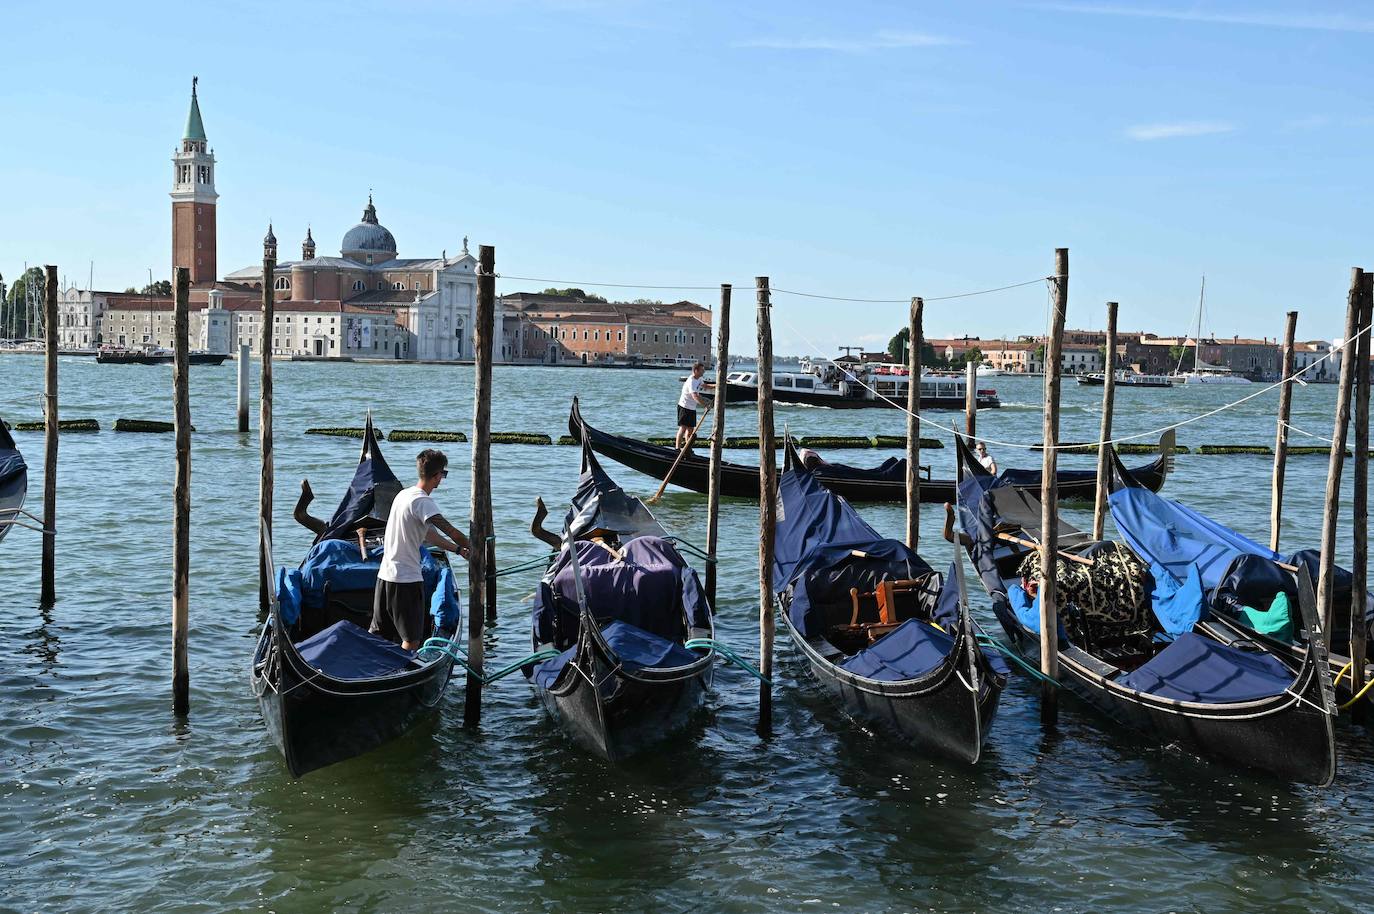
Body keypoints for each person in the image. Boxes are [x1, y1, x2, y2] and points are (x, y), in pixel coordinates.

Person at [372, 449, 470, 650]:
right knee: (411, 640)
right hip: (406, 580)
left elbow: (430, 535)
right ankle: (401, 675)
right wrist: (476, 547)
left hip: (385, 576)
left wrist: (458, 550)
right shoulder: (423, 502)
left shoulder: (403, 495)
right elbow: (451, 530)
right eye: (443, 474)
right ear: (437, 476)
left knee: (378, 633)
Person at [676, 362, 710, 448]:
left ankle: (687, 448)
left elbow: (705, 386)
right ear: (696, 371)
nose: (704, 372)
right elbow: (694, 396)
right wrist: (705, 405)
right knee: (683, 428)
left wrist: (716, 385)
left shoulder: (699, 379)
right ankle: (677, 448)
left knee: (690, 430)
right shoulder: (691, 381)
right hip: (684, 406)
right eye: (702, 370)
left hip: (692, 408)